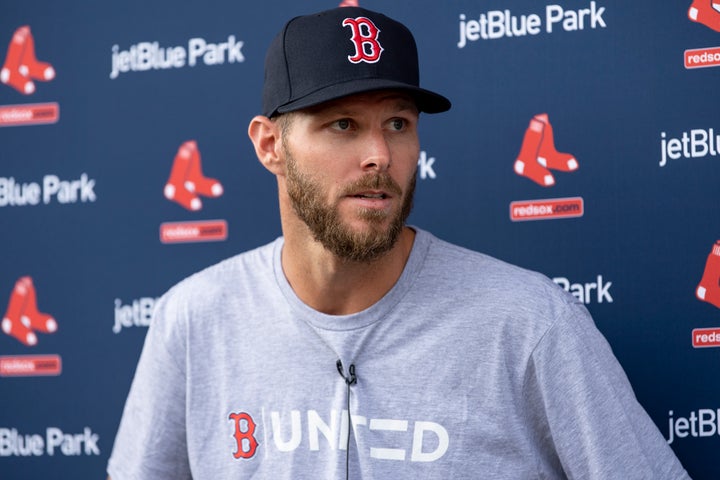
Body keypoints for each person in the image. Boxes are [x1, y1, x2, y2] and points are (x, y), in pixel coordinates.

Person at [107, 6, 690, 479]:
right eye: (342, 124)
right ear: (269, 146)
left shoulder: (530, 323)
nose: (380, 156)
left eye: (398, 124)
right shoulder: (194, 318)